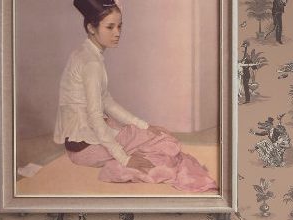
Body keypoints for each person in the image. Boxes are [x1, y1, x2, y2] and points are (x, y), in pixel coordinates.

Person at [54, 0, 217, 192]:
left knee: (151, 134)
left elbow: (107, 101)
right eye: (110, 27)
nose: (117, 33)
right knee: (166, 142)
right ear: (91, 27)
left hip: (79, 144)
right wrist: (125, 158)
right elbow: (95, 118)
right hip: (85, 149)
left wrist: (144, 125)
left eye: (119, 26)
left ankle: (139, 151)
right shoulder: (91, 64)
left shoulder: (84, 53)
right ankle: (123, 167)